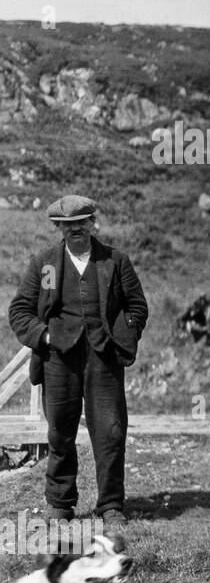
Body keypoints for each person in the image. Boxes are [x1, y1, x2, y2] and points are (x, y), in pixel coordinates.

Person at [7, 195, 148, 527]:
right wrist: (45, 336)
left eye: (82, 224)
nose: (76, 231)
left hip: (103, 360)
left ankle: (111, 504)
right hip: (59, 362)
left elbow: (137, 307)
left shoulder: (115, 261)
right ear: (59, 228)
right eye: (68, 226)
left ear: (92, 223)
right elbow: (19, 311)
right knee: (59, 432)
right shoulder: (45, 265)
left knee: (111, 432)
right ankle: (60, 502)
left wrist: (120, 338)